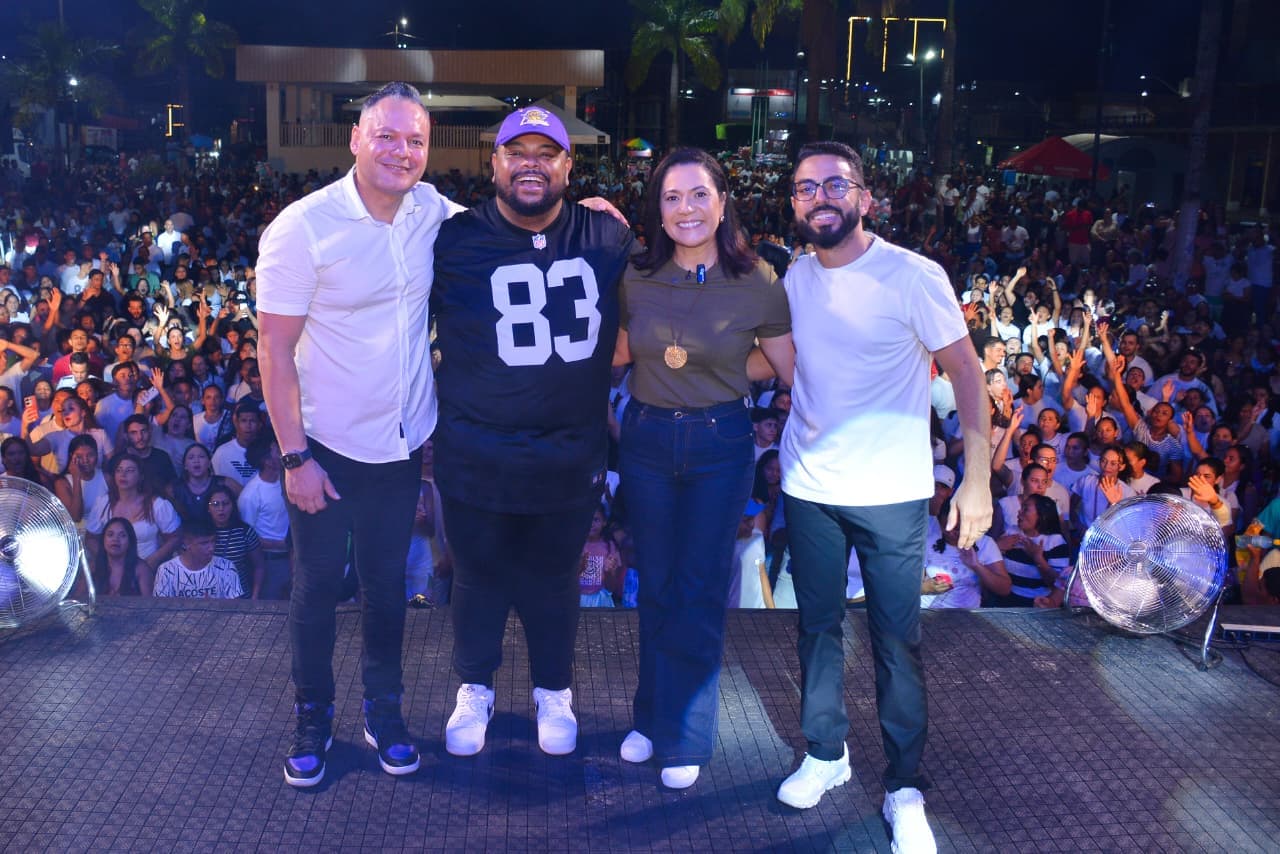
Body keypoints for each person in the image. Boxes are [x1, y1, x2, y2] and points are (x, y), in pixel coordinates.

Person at [773, 141, 991, 854]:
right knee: (817, 629)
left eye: (835, 184)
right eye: (806, 187)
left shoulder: (913, 275)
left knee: (897, 643)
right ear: (794, 202)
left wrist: (978, 478)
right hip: (809, 486)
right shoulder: (795, 276)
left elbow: (967, 374)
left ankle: (904, 787)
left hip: (892, 493)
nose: (820, 197)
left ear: (865, 198)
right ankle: (826, 754)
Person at [258, 82, 456, 785]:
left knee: (386, 587)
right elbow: (274, 350)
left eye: (415, 140)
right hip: (326, 448)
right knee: (315, 588)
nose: (402, 151)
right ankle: (312, 719)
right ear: (355, 140)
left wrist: (582, 212)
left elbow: (511, 224)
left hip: (399, 448)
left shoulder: (432, 210)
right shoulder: (303, 227)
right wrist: (295, 458)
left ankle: (384, 712)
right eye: (387, 136)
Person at [431, 106, 632, 761]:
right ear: (493, 162)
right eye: (518, 152)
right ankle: (474, 689)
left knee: (554, 580)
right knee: (476, 578)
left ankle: (554, 690)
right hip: (475, 452)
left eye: (547, 154)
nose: (531, 165)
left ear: (569, 166)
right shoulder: (453, 239)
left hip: (568, 455)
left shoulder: (606, 236)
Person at [611, 146, 792, 789]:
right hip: (647, 440)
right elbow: (623, 350)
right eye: (671, 197)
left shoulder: (758, 279)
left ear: (722, 203)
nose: (685, 208)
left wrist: (724, 371)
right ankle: (652, 717)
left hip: (720, 443)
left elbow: (785, 364)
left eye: (697, 195)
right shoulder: (635, 274)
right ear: (657, 209)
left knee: (699, 585)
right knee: (655, 582)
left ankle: (686, 734)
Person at [84, 454, 181, 596]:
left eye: (129, 470)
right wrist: (105, 561)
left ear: (141, 476)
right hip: (111, 571)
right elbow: (90, 538)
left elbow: (176, 537)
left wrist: (153, 560)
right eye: (119, 470)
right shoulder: (103, 503)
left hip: (148, 567)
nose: (123, 474)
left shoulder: (157, 504)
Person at [152, 518, 244, 599]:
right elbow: (161, 608)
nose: (211, 548)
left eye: (213, 541)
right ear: (186, 543)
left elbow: (236, 606)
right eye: (204, 543)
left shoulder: (226, 567)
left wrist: (214, 606)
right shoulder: (166, 570)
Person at [205, 483, 265, 600]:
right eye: (215, 504)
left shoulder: (245, 531)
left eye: (226, 503)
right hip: (208, 597)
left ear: (233, 506)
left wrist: (255, 595)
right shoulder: (200, 533)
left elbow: (259, 566)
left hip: (240, 596)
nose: (221, 508)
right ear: (208, 508)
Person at [90, 517, 145, 596]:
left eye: (122, 535)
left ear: (130, 541)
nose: (115, 539)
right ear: (103, 539)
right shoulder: (92, 568)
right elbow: (79, 599)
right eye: (110, 535)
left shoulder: (141, 569)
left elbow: (151, 602)